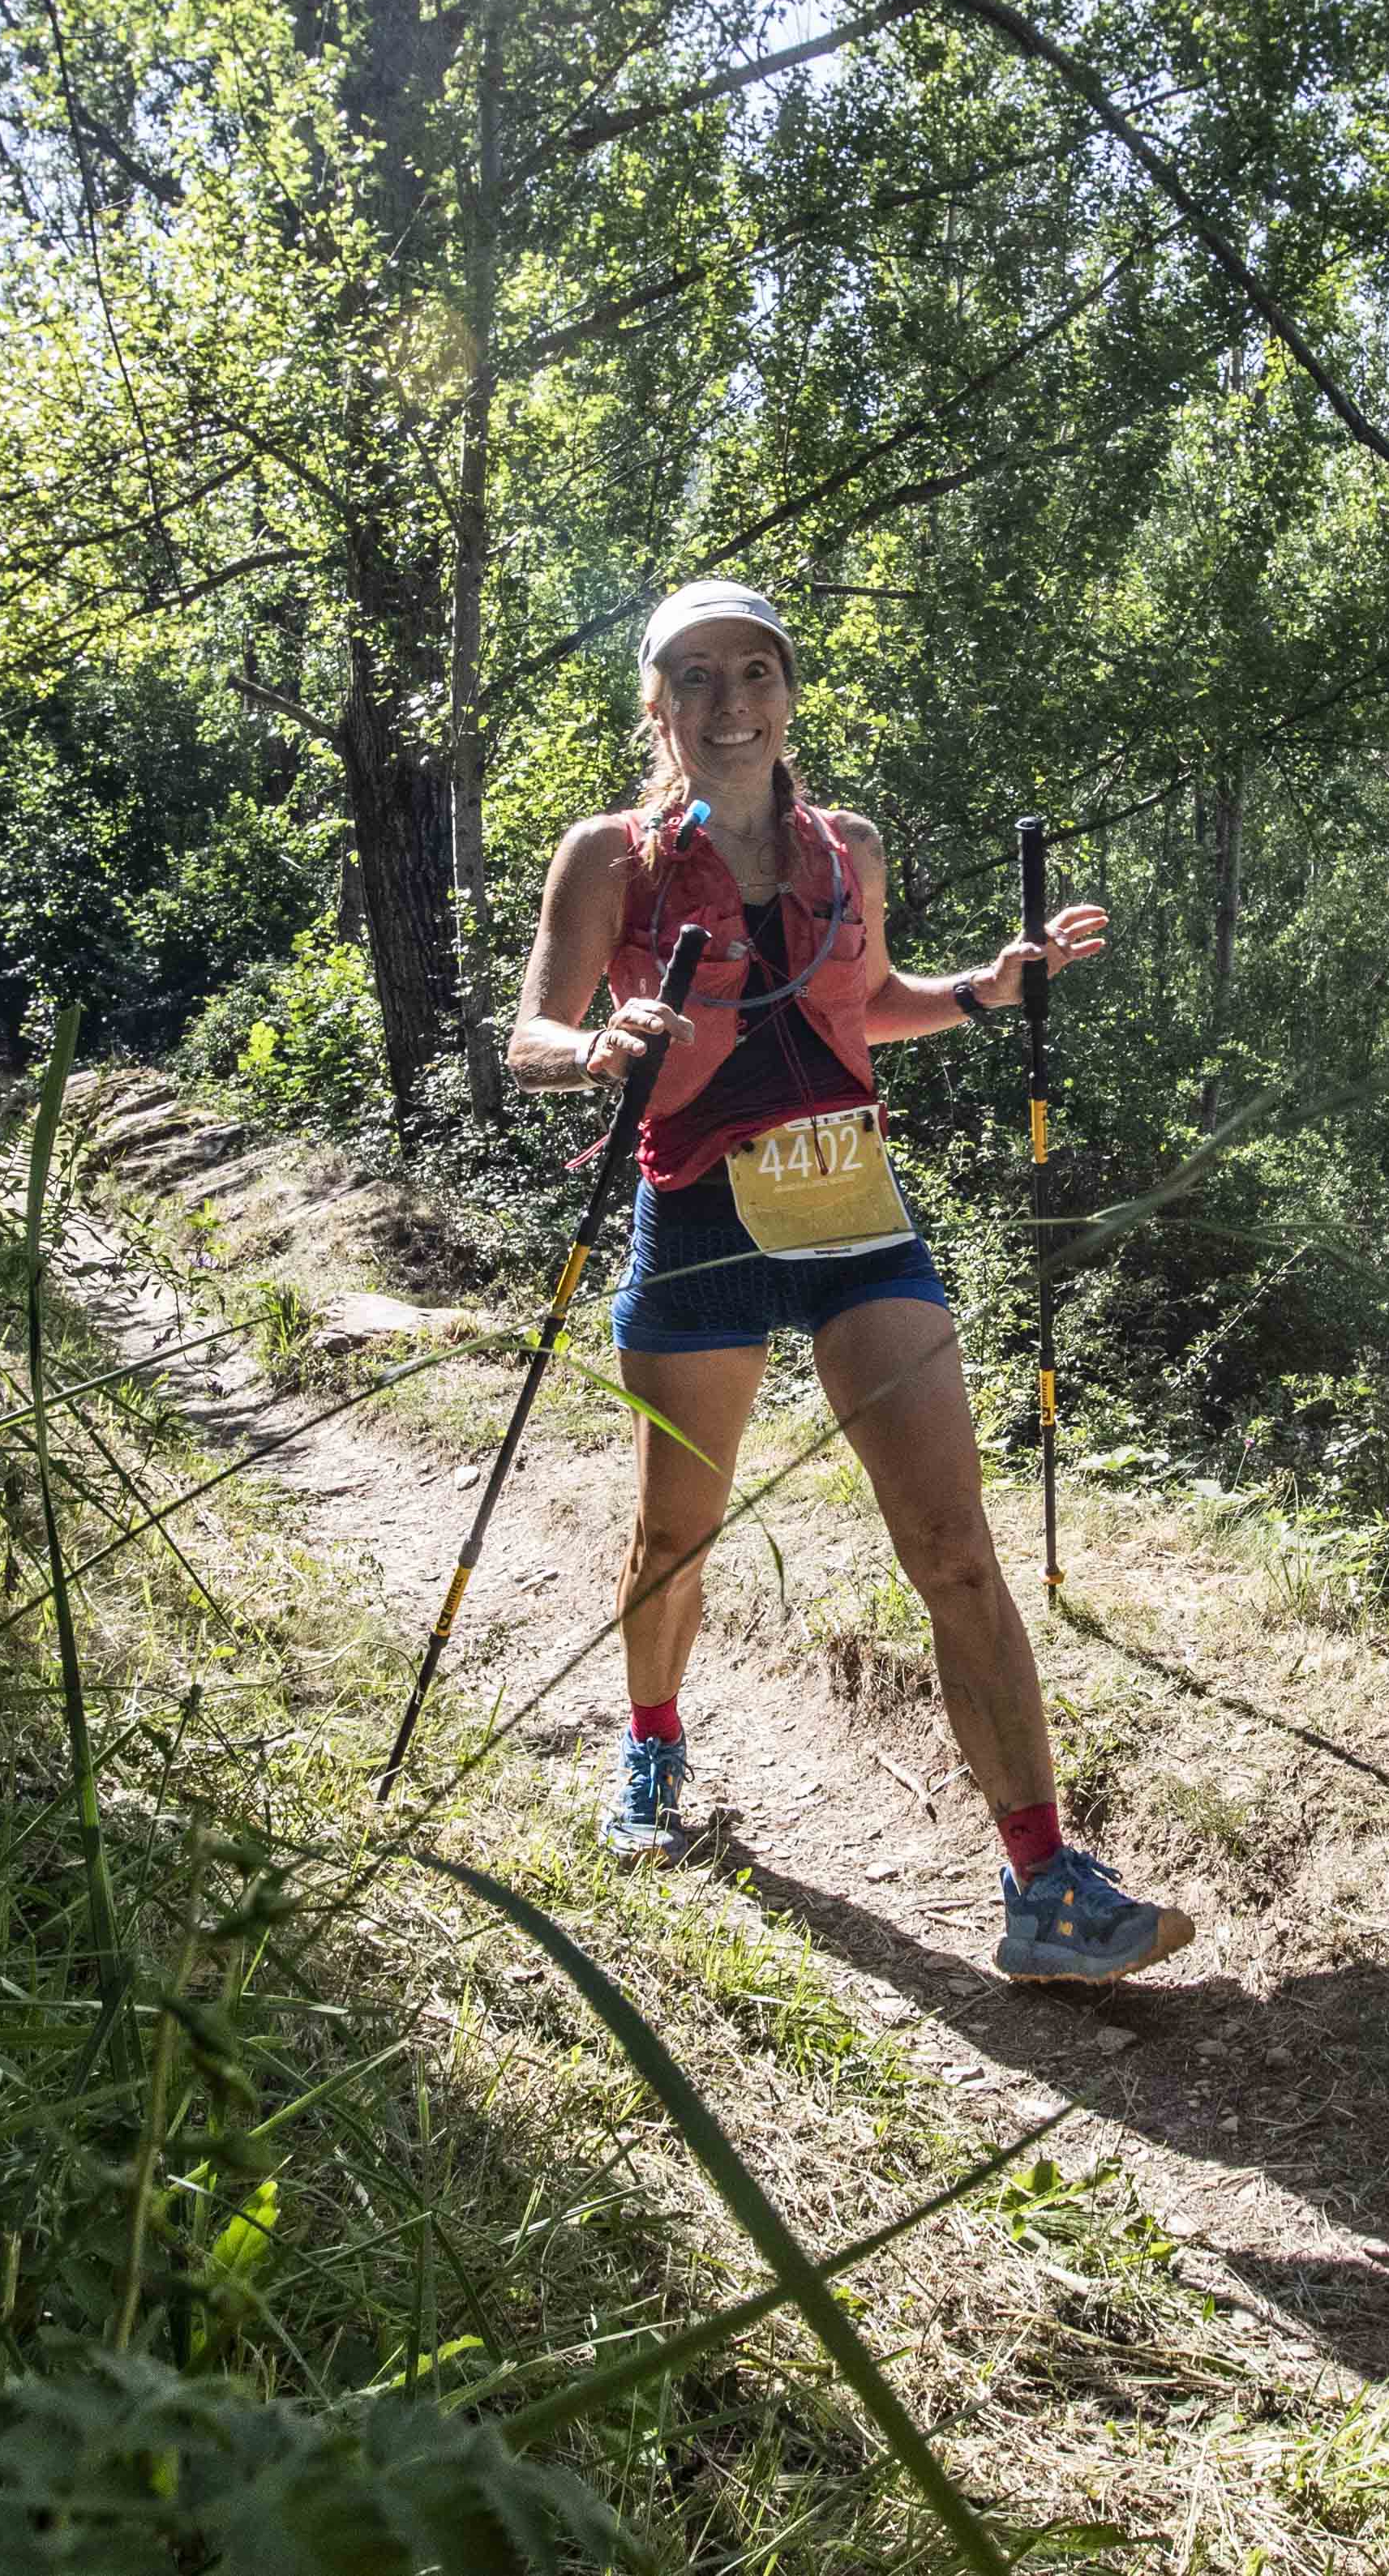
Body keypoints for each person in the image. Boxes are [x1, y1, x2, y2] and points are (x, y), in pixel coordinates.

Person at [506, 579, 1196, 1985]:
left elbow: (860, 1002)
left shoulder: (850, 850)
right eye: (695, 677)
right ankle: (650, 1751)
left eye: (752, 671)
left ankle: (1044, 1883)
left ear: (787, 691)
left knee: (953, 1545)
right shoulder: (610, 860)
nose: (729, 701)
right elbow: (527, 1030)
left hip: (854, 1210)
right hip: (697, 1209)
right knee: (676, 1532)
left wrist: (983, 991)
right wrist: (593, 1048)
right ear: (658, 704)